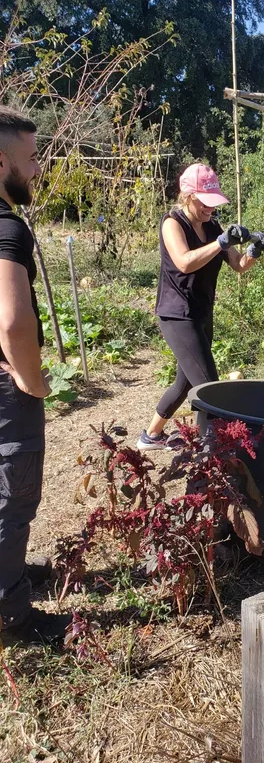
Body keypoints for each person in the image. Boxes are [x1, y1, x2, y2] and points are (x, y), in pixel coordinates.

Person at [137, 164, 264, 450]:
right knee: (211, 388)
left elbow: (239, 265)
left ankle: (151, 436)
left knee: (186, 382)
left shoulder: (212, 225)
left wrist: (253, 249)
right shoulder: (172, 223)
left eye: (214, 202)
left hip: (201, 311)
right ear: (188, 196)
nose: (210, 209)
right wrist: (220, 242)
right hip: (177, 314)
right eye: (205, 202)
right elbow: (184, 261)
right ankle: (214, 452)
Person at [0, 106, 71, 646]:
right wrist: (32, 379)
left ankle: (13, 576)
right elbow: (13, 322)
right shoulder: (8, 227)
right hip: (6, 390)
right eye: (29, 160)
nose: (38, 169)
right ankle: (12, 617)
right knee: (13, 496)